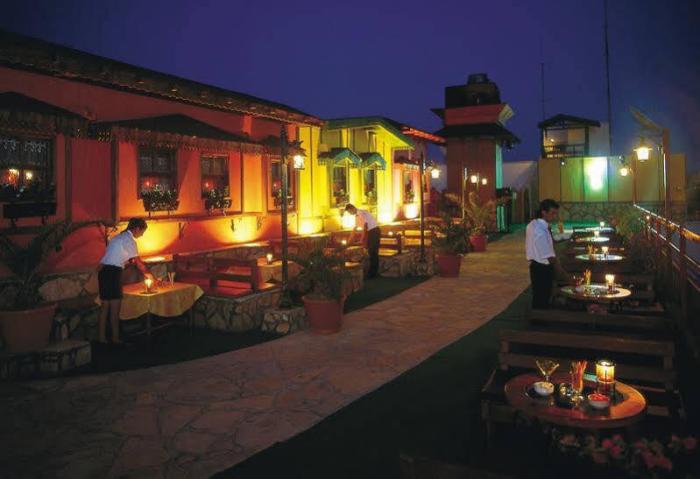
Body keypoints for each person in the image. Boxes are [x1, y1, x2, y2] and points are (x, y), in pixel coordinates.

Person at [97, 218, 152, 344]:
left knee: (105, 307)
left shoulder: (118, 237)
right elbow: (139, 263)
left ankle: (102, 338)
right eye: (142, 232)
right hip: (113, 273)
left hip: (104, 272)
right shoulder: (129, 240)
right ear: (137, 229)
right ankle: (115, 338)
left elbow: (117, 257)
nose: (142, 235)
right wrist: (150, 276)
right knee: (115, 308)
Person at [525, 199, 567, 309]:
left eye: (555, 213)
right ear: (544, 212)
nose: (554, 216)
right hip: (542, 267)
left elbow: (549, 243)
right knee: (542, 297)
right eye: (552, 213)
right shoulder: (540, 229)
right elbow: (548, 255)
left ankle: (538, 315)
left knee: (539, 296)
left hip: (536, 266)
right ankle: (539, 317)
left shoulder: (534, 224)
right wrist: (561, 271)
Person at [345, 204, 381, 278]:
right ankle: (372, 272)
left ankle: (373, 273)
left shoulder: (362, 213)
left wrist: (362, 239)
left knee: (373, 252)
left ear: (352, 208)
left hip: (374, 231)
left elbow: (365, 226)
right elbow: (355, 228)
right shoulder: (357, 216)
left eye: (349, 212)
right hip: (370, 232)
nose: (350, 213)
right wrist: (349, 240)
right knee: (371, 252)